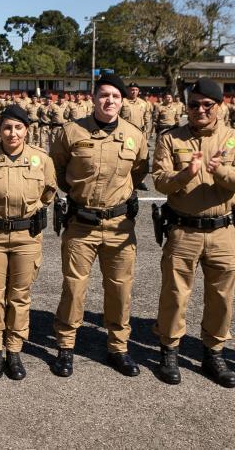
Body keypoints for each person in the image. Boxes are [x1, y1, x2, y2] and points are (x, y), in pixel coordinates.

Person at [150, 78, 235, 387]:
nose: (200, 110)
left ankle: (214, 353)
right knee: (174, 294)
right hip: (183, 230)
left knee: (221, 296)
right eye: (194, 105)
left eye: (208, 105)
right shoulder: (171, 139)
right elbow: (160, 181)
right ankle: (169, 350)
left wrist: (219, 170)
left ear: (220, 106)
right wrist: (186, 174)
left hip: (223, 231)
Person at [49, 72, 148, 378]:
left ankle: (118, 347)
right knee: (74, 288)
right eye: (104, 95)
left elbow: (139, 172)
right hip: (81, 223)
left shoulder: (135, 135)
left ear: (123, 101)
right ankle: (66, 346)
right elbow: (58, 169)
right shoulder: (71, 132)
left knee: (120, 289)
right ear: (93, 98)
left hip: (119, 225)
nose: (109, 101)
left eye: (115, 96)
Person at [0, 104, 56, 380]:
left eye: (18, 127)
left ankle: (14, 351)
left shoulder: (41, 159)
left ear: (27, 130)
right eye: (7, 127)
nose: (13, 133)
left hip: (26, 237)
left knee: (20, 295)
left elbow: (48, 193)